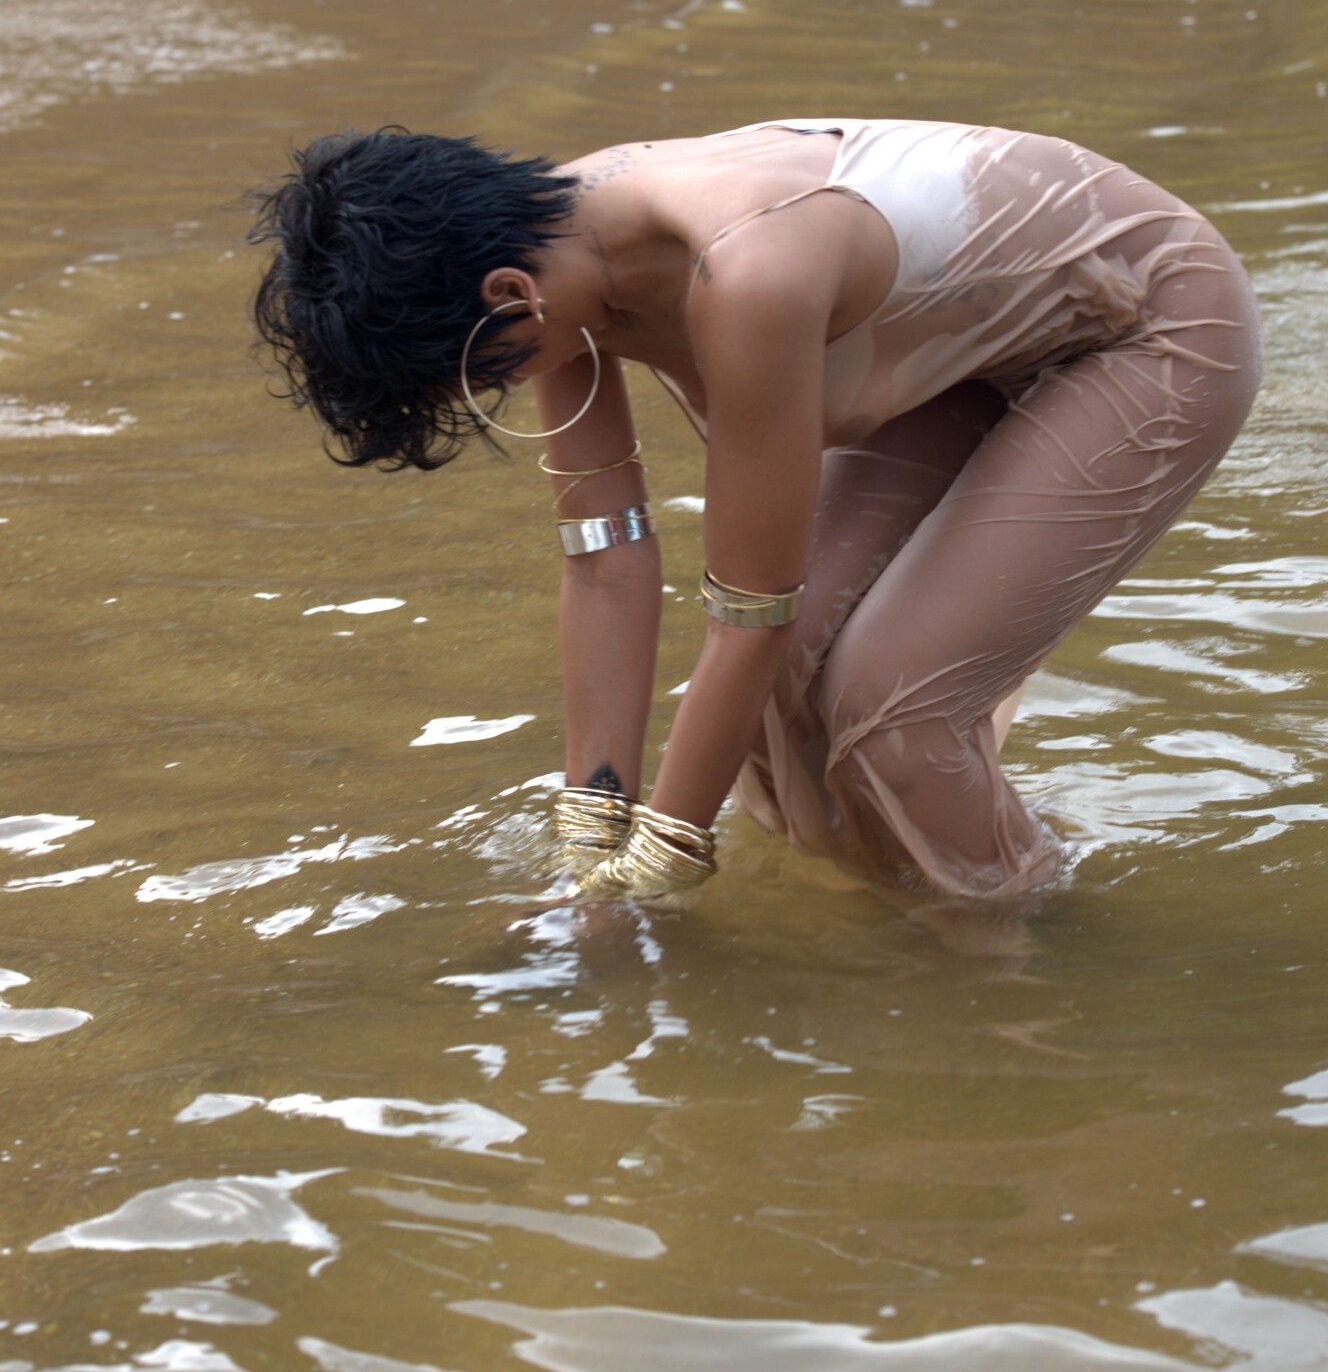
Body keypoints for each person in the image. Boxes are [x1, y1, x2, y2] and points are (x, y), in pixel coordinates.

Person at [249, 117, 1263, 904]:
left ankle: (1018, 964)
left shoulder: (745, 273)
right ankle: (899, 919)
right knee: (779, 698)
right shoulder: (548, 265)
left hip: (1142, 323)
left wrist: (651, 878)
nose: (497, 390)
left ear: (510, 295)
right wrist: (587, 845)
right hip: (950, 353)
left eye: (483, 375)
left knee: (890, 704)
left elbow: (750, 609)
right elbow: (605, 559)